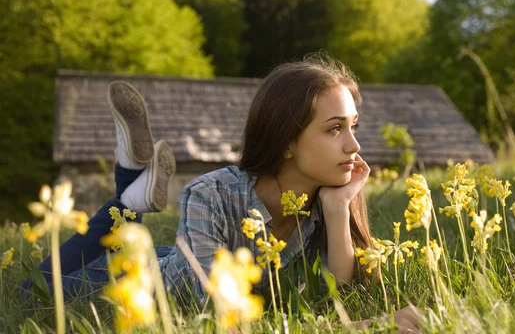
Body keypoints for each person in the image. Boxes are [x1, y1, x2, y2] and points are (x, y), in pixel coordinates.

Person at [21, 55, 421, 332]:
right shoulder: (210, 194)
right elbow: (220, 319)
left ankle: (132, 193)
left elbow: (344, 296)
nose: (354, 145)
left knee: (157, 248)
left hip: (185, 258)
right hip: (132, 282)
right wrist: (361, 329)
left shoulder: (325, 199)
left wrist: (338, 210)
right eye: (334, 129)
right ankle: (130, 196)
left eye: (354, 126)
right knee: (31, 295)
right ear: (286, 141)